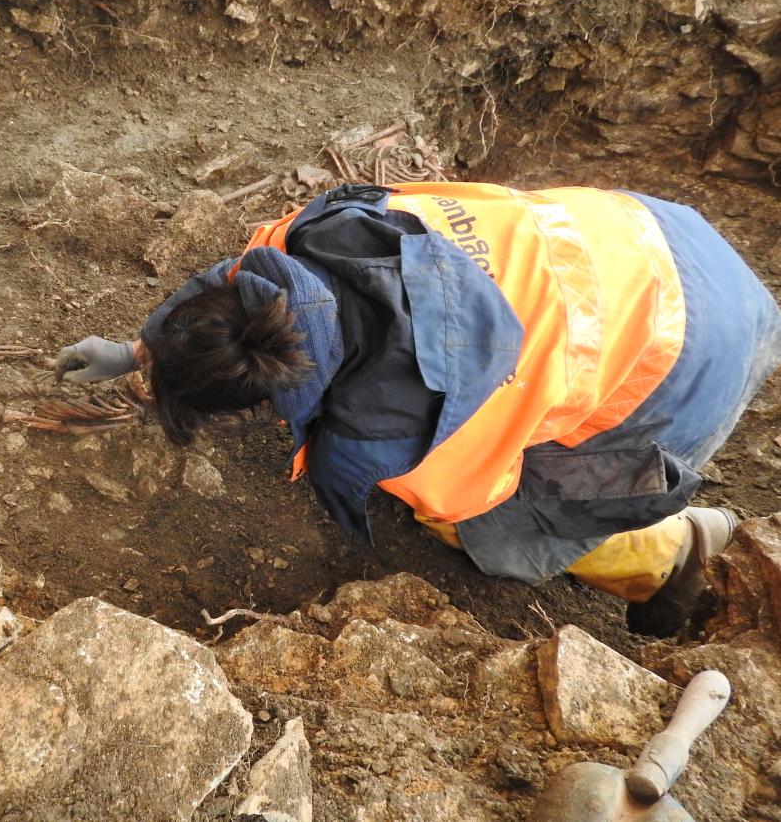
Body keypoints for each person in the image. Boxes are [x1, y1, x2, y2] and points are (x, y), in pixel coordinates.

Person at [55, 182, 781, 635]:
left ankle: (674, 554)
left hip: (688, 361)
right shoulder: (329, 227)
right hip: (653, 237)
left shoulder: (386, 431)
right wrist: (138, 348)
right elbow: (232, 284)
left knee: (493, 518)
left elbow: (483, 490)